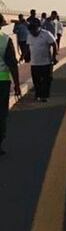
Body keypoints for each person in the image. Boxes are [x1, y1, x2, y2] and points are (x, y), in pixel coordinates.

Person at [0, 15, 22, 156]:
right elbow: (12, 64)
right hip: (2, 82)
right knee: (1, 114)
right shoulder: (5, 40)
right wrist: (17, 84)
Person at [27, 19, 58, 102]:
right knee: (36, 81)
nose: (32, 31)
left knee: (46, 80)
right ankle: (38, 94)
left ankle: (44, 96)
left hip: (46, 62)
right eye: (31, 30)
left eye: (34, 29)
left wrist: (54, 57)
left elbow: (54, 45)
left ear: (39, 27)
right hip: (34, 63)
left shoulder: (46, 34)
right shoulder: (29, 35)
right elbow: (28, 47)